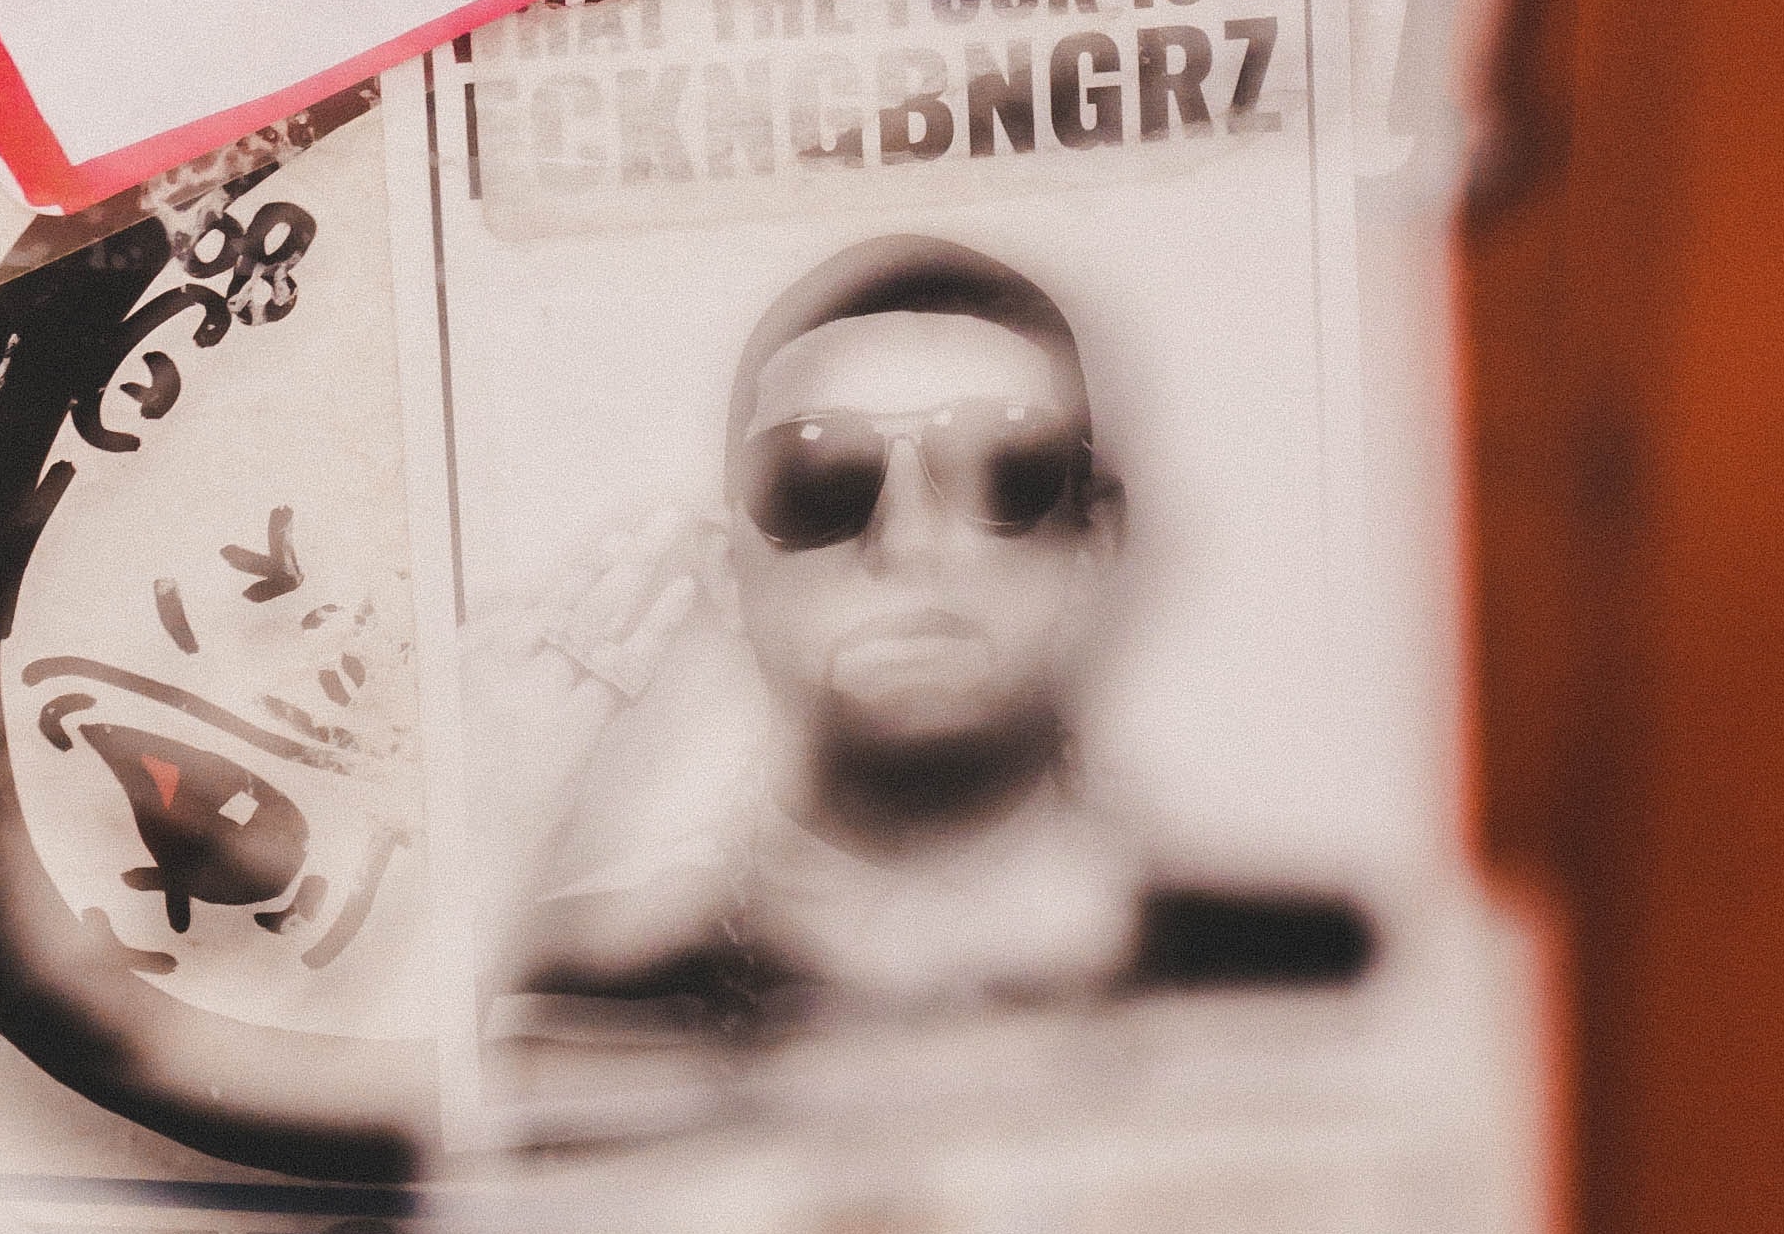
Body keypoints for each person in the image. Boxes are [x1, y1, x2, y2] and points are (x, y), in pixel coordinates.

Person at [501, 235, 1363, 1037]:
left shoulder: (1315, 976)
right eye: (819, 479)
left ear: (1099, 541)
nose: (909, 545)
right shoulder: (570, 1007)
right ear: (731, 576)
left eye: (1006, 467)